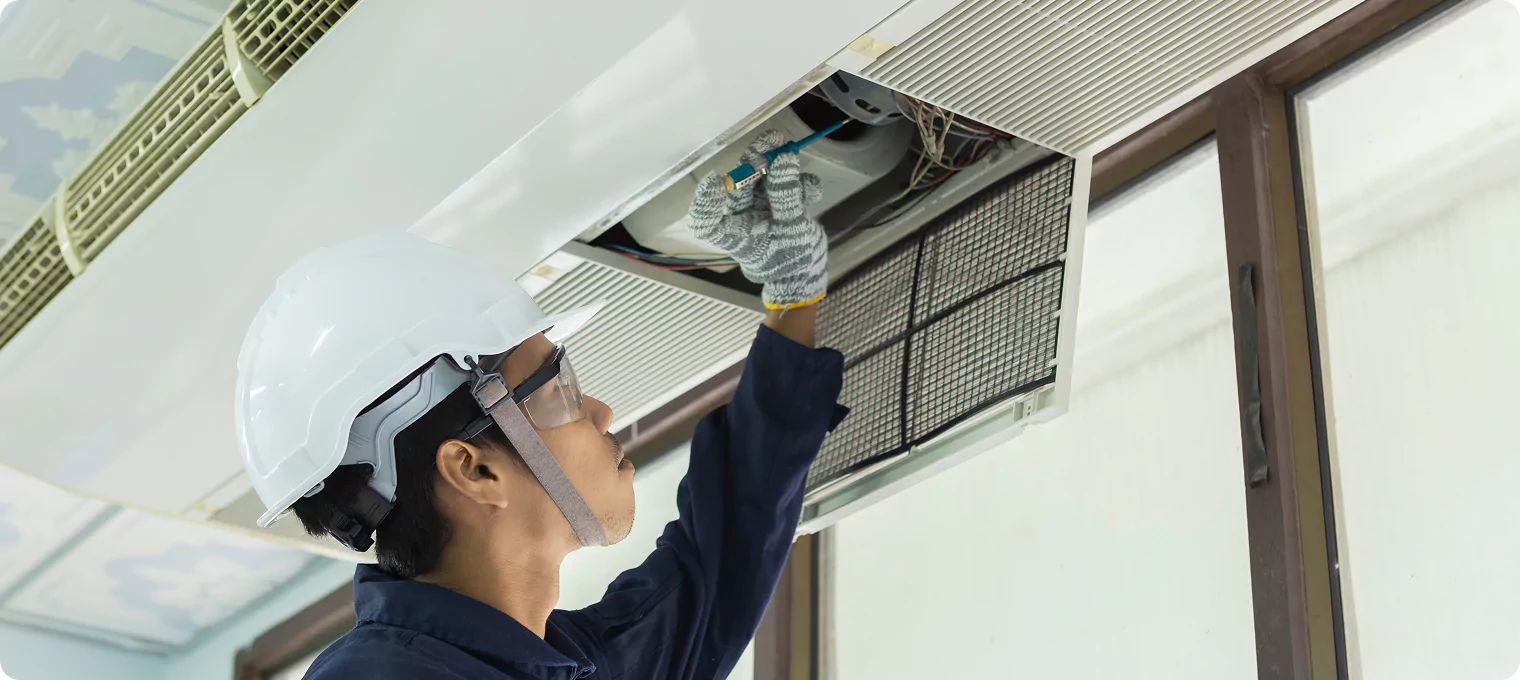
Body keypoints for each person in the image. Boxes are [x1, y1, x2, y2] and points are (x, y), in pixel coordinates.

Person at [235, 131, 846, 679]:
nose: (602, 412)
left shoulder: (562, 665)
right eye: (558, 390)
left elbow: (728, 546)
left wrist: (793, 296)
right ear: (475, 469)